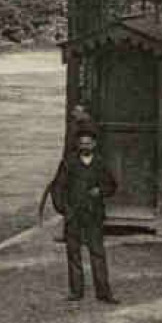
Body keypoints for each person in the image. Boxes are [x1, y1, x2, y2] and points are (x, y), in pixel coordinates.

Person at [46, 122, 118, 304]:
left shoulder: (101, 163)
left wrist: (100, 191)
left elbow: (112, 186)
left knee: (97, 253)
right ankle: (76, 292)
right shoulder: (69, 163)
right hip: (74, 216)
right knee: (73, 254)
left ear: (94, 144)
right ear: (78, 144)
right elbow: (57, 187)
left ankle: (103, 293)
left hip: (94, 215)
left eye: (88, 143)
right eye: (82, 143)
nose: (85, 146)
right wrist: (63, 208)